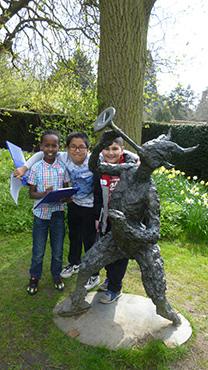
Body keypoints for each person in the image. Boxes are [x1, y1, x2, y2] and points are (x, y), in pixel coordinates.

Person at [14, 131, 100, 291]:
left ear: (88, 149)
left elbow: (116, 153)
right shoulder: (47, 163)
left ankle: (78, 274)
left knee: (75, 245)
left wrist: (65, 197)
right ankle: (45, 274)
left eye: (81, 147)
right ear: (66, 149)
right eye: (73, 147)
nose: (77, 150)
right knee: (55, 245)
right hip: (53, 212)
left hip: (77, 210)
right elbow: (32, 191)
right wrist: (26, 169)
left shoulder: (81, 163)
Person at [93, 136, 138, 303]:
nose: (110, 152)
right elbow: (97, 195)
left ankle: (115, 288)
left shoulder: (132, 168)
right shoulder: (99, 167)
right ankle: (109, 279)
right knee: (106, 252)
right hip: (106, 219)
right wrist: (97, 217)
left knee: (119, 255)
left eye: (114, 149)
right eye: (106, 149)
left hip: (125, 222)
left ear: (122, 149)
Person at [26, 130, 71, 295]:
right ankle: (34, 277)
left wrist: (67, 197)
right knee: (38, 251)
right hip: (40, 217)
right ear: (41, 147)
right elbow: (32, 194)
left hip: (58, 215)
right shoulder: (36, 168)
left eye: (54, 145)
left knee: (57, 251)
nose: (50, 149)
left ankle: (56, 275)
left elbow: (67, 191)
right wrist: (46, 194)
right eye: (47, 145)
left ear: (59, 147)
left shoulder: (62, 168)